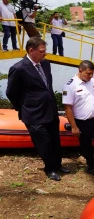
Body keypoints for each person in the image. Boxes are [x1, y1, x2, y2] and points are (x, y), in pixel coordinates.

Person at [6, 37, 70, 181]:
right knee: (44, 142)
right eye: (42, 51)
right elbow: (11, 92)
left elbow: (47, 86)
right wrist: (23, 107)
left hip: (50, 110)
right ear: (31, 50)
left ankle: (58, 164)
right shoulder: (19, 68)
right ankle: (50, 169)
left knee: (55, 140)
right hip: (33, 113)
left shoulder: (45, 64)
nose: (45, 54)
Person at [62, 60, 94, 180]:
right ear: (80, 70)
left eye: (92, 74)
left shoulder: (92, 81)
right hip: (81, 122)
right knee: (85, 146)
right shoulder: (70, 86)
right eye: (88, 73)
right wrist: (74, 127)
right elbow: (68, 108)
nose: (90, 76)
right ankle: (91, 164)